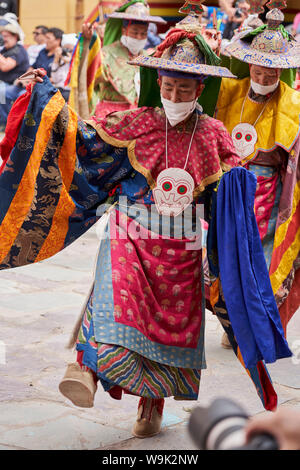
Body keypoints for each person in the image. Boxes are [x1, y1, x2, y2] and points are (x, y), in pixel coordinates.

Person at [0, 16, 292, 439]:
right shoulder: (138, 121)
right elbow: (80, 136)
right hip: (131, 229)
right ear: (158, 84)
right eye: (168, 86)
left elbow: (228, 192)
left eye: (185, 88)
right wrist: (43, 93)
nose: (175, 95)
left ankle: (150, 403)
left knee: (166, 325)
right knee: (112, 293)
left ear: (200, 90)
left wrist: (241, 182)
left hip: (184, 242)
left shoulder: (213, 134)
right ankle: (86, 369)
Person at [215, 5, 300, 337]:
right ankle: (231, 318)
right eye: (259, 71)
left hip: (266, 191)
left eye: (272, 74)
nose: (264, 78)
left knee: (260, 261)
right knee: (226, 259)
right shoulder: (230, 92)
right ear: (249, 64)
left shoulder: (291, 103)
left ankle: (252, 322)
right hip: (228, 187)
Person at [77, 0, 166, 119]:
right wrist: (87, 44)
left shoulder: (148, 57)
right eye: (135, 32)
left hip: (140, 117)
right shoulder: (106, 54)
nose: (139, 37)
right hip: (110, 116)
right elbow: (87, 78)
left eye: (143, 34)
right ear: (124, 31)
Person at [0, 21, 29, 129]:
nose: (3, 39)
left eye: (6, 36)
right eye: (2, 36)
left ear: (15, 36)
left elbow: (5, 66)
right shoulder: (4, 50)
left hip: (16, 84)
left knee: (1, 92)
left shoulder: (18, 50)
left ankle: (9, 124)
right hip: (4, 83)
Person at [50, 33, 77, 102]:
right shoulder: (61, 61)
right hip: (59, 89)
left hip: (70, 91)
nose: (68, 52)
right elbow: (55, 79)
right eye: (65, 49)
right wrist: (56, 60)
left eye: (70, 50)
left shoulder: (78, 61)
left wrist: (71, 62)